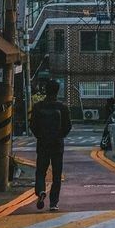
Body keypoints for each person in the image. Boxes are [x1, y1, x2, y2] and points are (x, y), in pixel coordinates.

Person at [29, 79, 72, 211]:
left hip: (43, 144)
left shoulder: (38, 107)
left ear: (45, 90)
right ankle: (53, 203)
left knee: (41, 171)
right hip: (57, 145)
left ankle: (41, 191)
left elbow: (33, 126)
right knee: (57, 175)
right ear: (57, 91)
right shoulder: (62, 107)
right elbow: (68, 126)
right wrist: (60, 136)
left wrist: (40, 137)